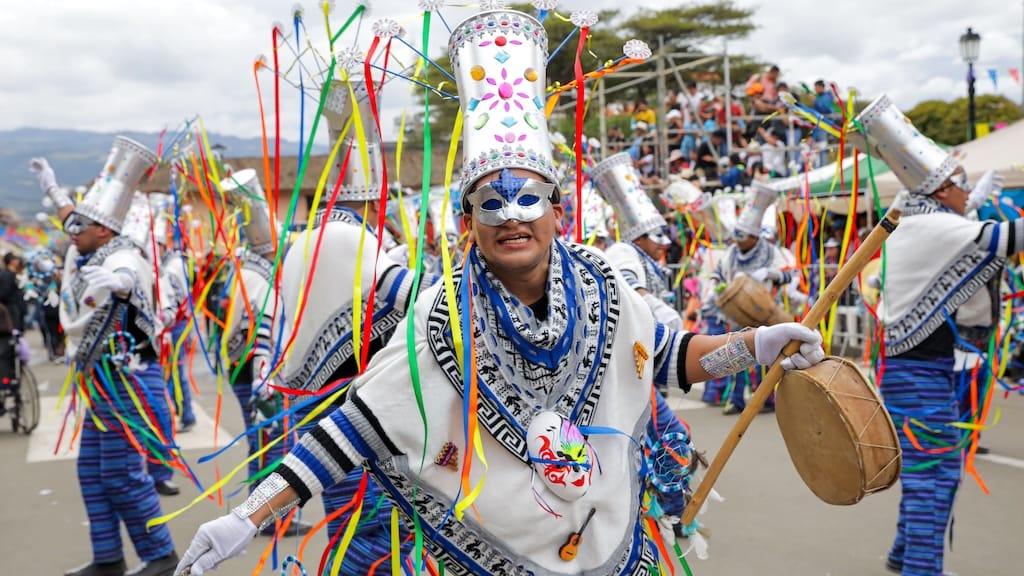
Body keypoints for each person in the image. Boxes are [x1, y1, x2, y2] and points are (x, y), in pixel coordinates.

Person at [175, 9, 825, 576]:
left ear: (557, 209)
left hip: (601, 525)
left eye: (527, 197)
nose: (511, 215)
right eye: (490, 202)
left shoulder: (603, 283)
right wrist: (248, 514)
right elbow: (355, 427)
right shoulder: (443, 316)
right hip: (494, 547)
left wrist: (757, 344)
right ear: (467, 224)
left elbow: (672, 354)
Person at [271, 76, 440, 571]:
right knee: (375, 539)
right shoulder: (352, 241)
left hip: (319, 413)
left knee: (352, 529)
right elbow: (417, 297)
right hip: (362, 414)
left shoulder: (305, 239)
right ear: (373, 196)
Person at [844, 95, 1017, 576]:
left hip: (922, 370)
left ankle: (905, 556)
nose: (967, 193)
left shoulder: (919, 222)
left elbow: (963, 225)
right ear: (942, 192)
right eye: (961, 186)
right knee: (934, 478)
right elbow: (1005, 239)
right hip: (918, 373)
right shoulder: (934, 226)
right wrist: (975, 206)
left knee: (935, 472)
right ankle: (920, 566)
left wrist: (973, 199)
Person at [32, 139, 179, 576]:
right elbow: (71, 221)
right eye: (71, 224)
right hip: (101, 382)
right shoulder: (89, 247)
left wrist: (115, 284)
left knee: (120, 473)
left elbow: (129, 279)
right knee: (92, 473)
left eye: (80, 225)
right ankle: (108, 558)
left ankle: (161, 556)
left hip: (127, 381)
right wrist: (53, 189)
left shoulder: (122, 255)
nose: (70, 231)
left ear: (104, 229)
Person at [706, 181, 793, 413]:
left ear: (754, 236)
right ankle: (735, 399)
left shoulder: (770, 252)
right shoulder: (732, 253)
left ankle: (766, 398)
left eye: (743, 238)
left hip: (763, 310)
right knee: (737, 355)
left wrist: (771, 273)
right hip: (737, 313)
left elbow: (789, 275)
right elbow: (718, 272)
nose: (740, 242)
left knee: (766, 354)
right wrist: (716, 285)